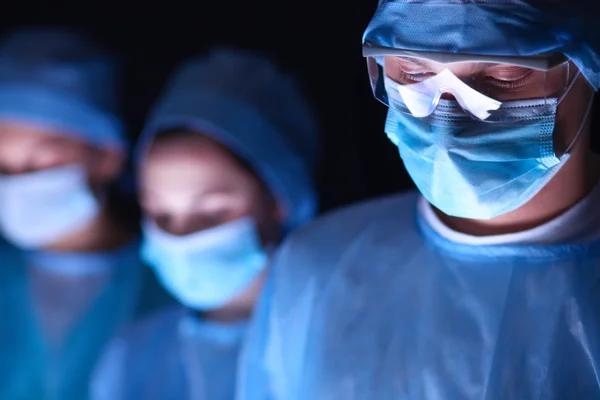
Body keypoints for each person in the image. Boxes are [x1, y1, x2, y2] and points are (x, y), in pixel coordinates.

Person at [236, 1, 600, 398]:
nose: (446, 122)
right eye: (414, 72)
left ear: (587, 68)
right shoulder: (315, 272)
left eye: (504, 76)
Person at [90, 47, 319, 400]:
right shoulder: (132, 356)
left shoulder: (333, 334)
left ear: (279, 200)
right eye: (162, 215)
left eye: (211, 214)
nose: (181, 238)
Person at [0, 28, 171, 399]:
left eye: (41, 161)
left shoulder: (172, 283)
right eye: (2, 166)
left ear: (108, 156)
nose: (16, 183)